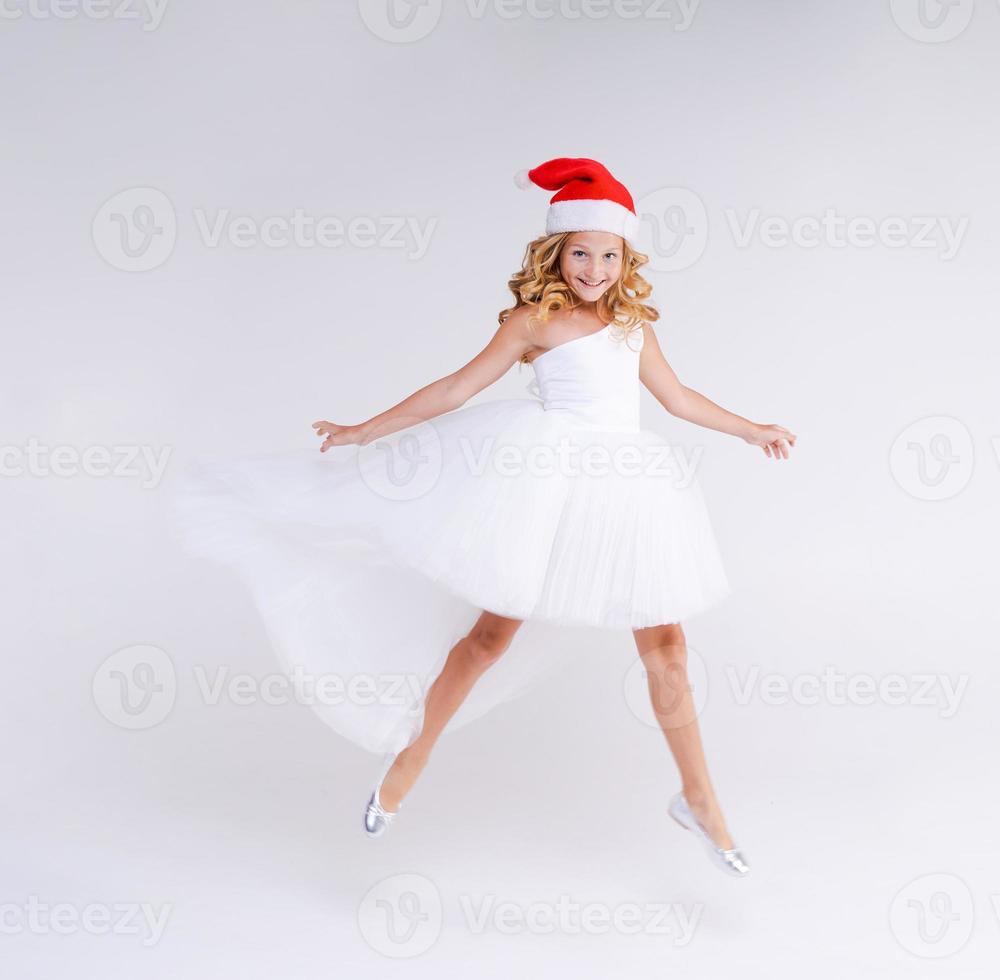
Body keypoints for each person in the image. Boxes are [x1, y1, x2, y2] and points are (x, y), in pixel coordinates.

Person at [168, 157, 796, 878]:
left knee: (668, 649)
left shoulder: (634, 327)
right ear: (557, 252)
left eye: (609, 254)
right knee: (489, 638)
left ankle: (699, 798)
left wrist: (754, 429)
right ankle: (411, 757)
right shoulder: (535, 321)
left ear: (628, 259)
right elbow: (457, 387)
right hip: (549, 486)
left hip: (627, 493)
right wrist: (365, 430)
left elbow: (679, 400)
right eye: (581, 251)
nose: (593, 266)